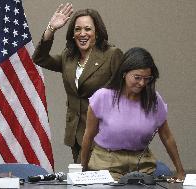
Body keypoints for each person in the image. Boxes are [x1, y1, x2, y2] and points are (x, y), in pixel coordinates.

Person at [32, 3, 123, 163]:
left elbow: (122, 94)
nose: (82, 34)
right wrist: (51, 29)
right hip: (76, 132)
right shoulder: (69, 56)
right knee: (81, 180)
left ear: (97, 32)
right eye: (77, 29)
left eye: (88, 29)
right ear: (72, 34)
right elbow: (40, 58)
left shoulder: (111, 54)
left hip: (102, 132)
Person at [81, 47, 185, 181]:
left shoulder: (153, 100)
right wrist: (82, 169)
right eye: (137, 77)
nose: (142, 83)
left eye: (147, 78)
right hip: (107, 162)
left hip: (142, 163)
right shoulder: (102, 97)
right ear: (124, 73)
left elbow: (167, 137)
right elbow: (88, 136)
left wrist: (180, 170)